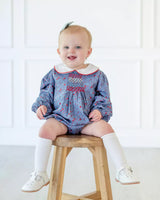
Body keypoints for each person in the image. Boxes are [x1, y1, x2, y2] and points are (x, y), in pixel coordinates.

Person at [22, 22, 140, 192]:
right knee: (45, 130)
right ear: (59, 51)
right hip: (61, 119)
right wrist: (42, 106)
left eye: (78, 47)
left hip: (86, 121)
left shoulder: (97, 75)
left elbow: (103, 96)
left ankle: (123, 168)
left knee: (105, 128)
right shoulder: (54, 73)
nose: (71, 51)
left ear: (88, 52)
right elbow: (46, 94)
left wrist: (99, 110)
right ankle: (40, 173)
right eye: (66, 47)